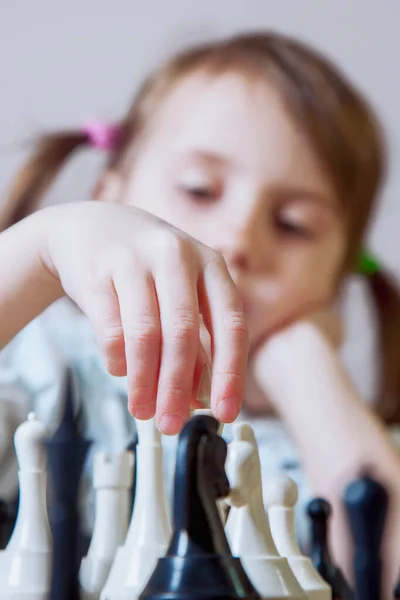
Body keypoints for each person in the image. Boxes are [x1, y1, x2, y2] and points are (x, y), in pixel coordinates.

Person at [1, 30, 400, 590]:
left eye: (293, 225)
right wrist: (38, 250)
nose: (239, 238)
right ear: (108, 194)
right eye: (200, 189)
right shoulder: (40, 359)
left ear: (336, 285)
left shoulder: (336, 442)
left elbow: (383, 569)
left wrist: (304, 364)